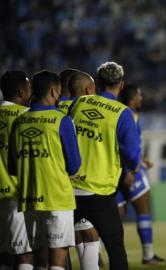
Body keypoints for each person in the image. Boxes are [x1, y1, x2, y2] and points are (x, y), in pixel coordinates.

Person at [69, 62, 140, 270]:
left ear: (98, 82)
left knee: (58, 248)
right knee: (115, 248)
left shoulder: (79, 104)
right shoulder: (122, 113)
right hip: (100, 193)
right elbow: (132, 157)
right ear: (121, 84)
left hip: (70, 190)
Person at [8, 70, 81, 270]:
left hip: (29, 198)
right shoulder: (61, 120)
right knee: (57, 258)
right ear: (53, 91)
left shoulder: (18, 122)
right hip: (57, 197)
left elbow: (12, 167)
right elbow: (74, 164)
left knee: (38, 259)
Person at [115, 84, 166, 264]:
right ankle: (148, 255)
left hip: (117, 172)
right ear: (132, 98)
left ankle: (97, 255)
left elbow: (126, 146)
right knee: (144, 209)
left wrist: (141, 159)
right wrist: (129, 169)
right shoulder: (129, 115)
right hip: (130, 172)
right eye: (139, 95)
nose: (142, 98)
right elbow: (120, 146)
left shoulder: (117, 113)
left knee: (116, 218)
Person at [64, 71, 101, 270]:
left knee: (76, 234)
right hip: (82, 182)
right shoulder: (86, 110)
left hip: (60, 185)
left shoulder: (58, 110)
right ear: (88, 89)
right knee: (91, 235)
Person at [0, 71, 33, 270]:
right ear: (21, 91)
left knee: (4, 252)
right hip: (16, 195)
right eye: (29, 88)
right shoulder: (26, 117)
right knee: (25, 254)